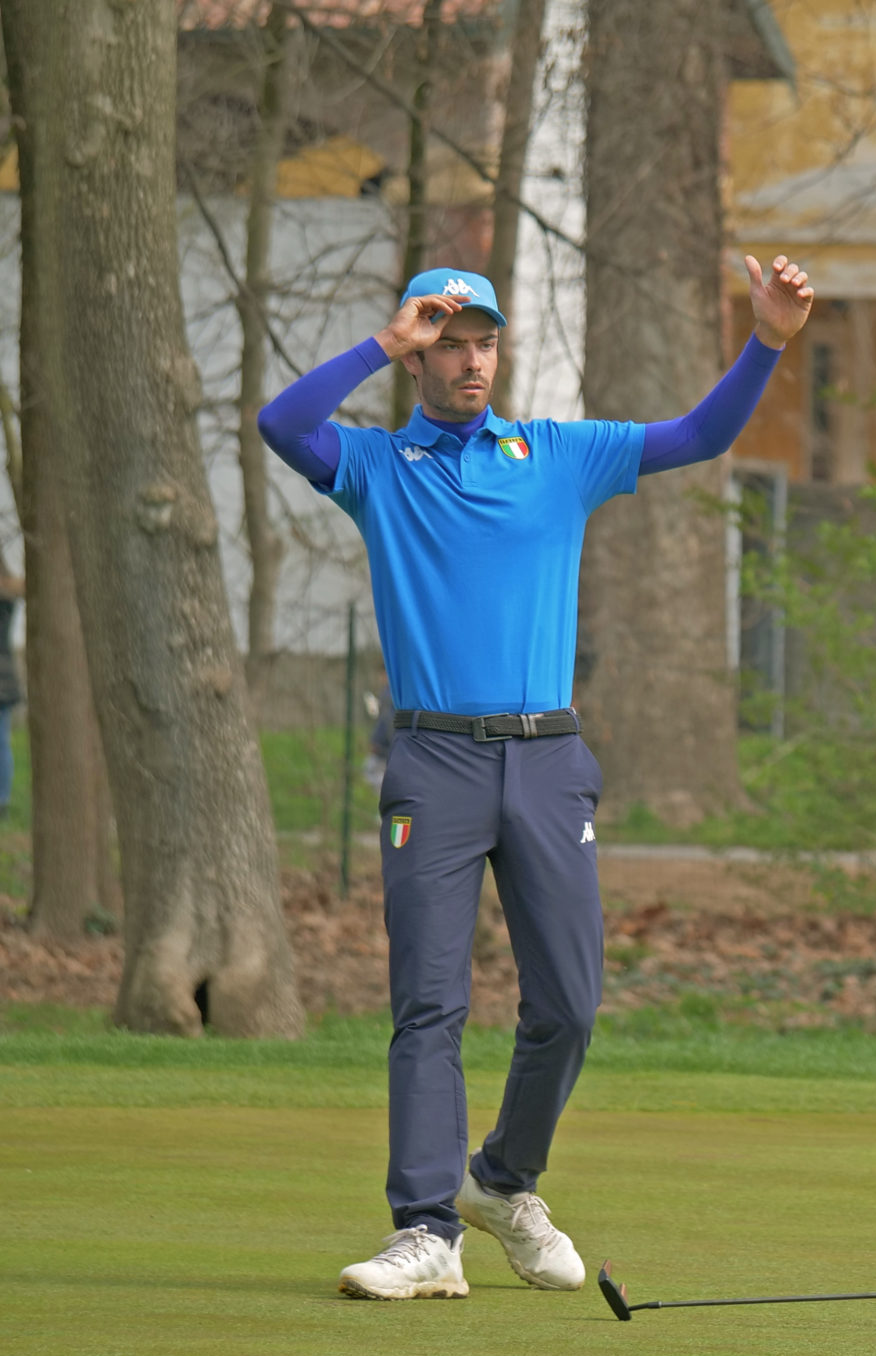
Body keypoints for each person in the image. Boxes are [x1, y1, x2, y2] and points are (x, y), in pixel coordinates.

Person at [259, 257, 813, 1300]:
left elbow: (700, 436)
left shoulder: (558, 454)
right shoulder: (377, 465)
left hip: (549, 758)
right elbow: (281, 425)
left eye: (484, 342)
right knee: (429, 1005)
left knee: (569, 1001)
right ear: (420, 355)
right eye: (450, 343)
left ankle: (504, 1181)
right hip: (434, 760)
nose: (472, 360)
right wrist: (383, 341)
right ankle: (427, 1232)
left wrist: (768, 341)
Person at [0, 568, 21, 818]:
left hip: (3, 684)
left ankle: (2, 799)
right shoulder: (8, 598)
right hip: (6, 681)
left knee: (1, 742)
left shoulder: (5, 601)